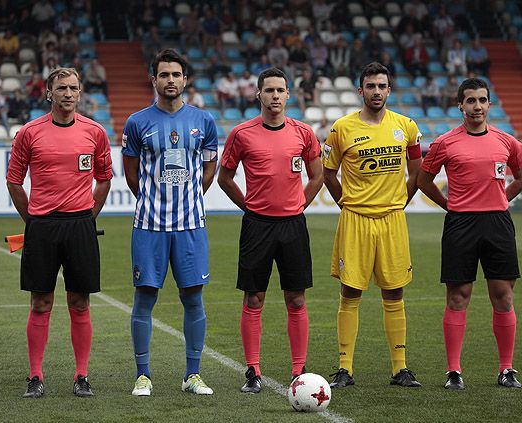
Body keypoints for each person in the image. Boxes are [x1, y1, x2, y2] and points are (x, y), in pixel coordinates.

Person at [6, 67, 113, 398]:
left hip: (80, 225)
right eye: (62, 88)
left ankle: (82, 376)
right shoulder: (29, 132)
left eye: (73, 88)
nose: (68, 93)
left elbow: (104, 179)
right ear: (49, 93)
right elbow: (14, 181)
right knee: (40, 302)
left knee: (80, 302)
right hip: (42, 225)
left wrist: (88, 217)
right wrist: (33, 221)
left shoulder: (95, 132)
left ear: (80, 92)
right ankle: (35, 376)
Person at [416, 77, 522, 390]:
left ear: (489, 104)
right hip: (461, 224)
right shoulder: (445, 142)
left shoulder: (507, 142)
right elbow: (424, 181)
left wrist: (501, 199)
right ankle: (454, 371)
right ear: (460, 105)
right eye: (470, 101)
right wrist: (449, 205)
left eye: (482, 100)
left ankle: (506, 369)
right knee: (457, 296)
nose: (477, 106)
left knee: (503, 296)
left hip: (497, 224)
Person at [217, 67, 323, 393]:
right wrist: (249, 206)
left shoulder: (303, 133)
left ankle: (299, 370)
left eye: (280, 90)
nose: (275, 96)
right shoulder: (241, 134)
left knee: (296, 298)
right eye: (269, 91)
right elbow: (224, 178)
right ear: (258, 94)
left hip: (293, 225)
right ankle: (253, 370)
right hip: (257, 226)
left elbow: (317, 176)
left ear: (288, 94)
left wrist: (299, 205)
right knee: (254, 297)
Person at [121, 49, 218, 397]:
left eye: (176, 74)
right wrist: (153, 201)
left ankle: (193, 374)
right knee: (144, 298)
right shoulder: (137, 122)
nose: (171, 80)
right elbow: (131, 173)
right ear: (154, 80)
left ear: (185, 79)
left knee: (193, 299)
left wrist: (190, 197)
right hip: (149, 226)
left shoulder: (204, 121)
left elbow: (209, 166)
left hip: (191, 225)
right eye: (164, 75)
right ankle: (143, 375)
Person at [322, 62, 423, 389]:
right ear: (360, 90)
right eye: (370, 86)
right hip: (356, 220)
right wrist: (346, 204)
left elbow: (417, 172)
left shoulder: (407, 126)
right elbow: (328, 174)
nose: (376, 91)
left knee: (394, 291)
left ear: (389, 90)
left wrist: (399, 202)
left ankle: (400, 368)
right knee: (350, 290)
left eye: (382, 86)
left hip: (392, 220)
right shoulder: (341, 128)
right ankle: (344, 369)